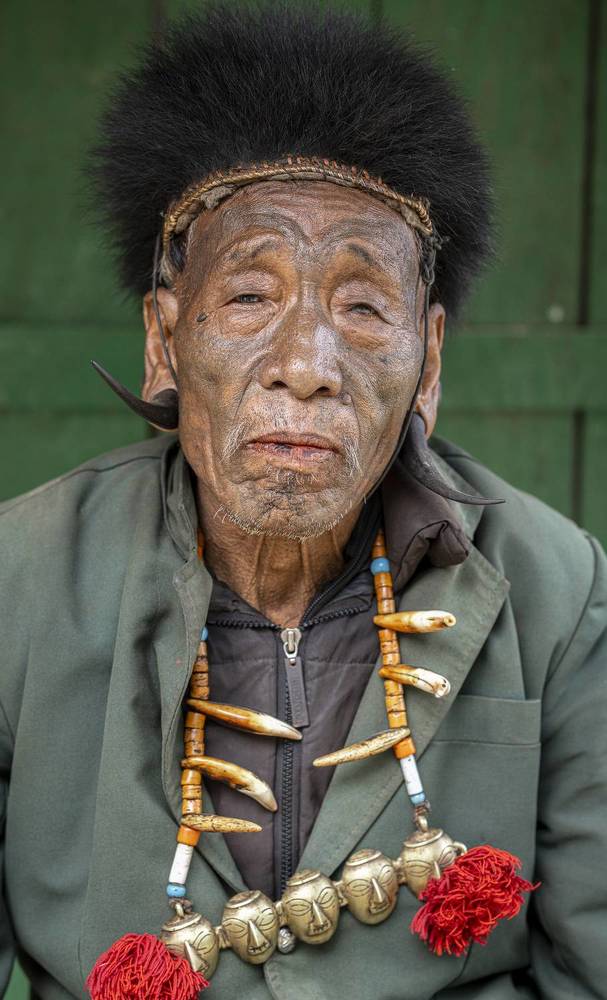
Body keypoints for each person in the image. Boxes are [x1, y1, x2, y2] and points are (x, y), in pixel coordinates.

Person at [1, 4, 605, 999]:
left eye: (364, 306)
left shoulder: (555, 587)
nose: (305, 365)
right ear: (166, 339)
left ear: (430, 360)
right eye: (248, 296)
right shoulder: (18, 583)